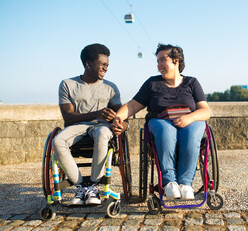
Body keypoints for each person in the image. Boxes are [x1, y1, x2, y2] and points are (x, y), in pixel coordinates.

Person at [112, 43, 210, 200]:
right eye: (157, 61)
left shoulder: (192, 83)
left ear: (176, 61)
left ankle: (185, 184)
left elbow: (205, 111)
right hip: (160, 122)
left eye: (162, 60)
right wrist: (118, 117)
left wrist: (189, 118)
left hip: (189, 121)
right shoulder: (152, 84)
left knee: (194, 129)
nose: (159, 65)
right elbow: (132, 105)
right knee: (166, 129)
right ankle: (169, 182)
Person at [52, 43, 125, 205]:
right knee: (57, 141)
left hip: (101, 127)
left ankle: (93, 185)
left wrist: (123, 125)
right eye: (102, 64)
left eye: (107, 65)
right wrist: (98, 113)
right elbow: (68, 118)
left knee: (103, 133)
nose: (106, 68)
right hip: (77, 126)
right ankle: (81, 186)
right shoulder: (68, 85)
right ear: (88, 64)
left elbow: (121, 115)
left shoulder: (110, 87)